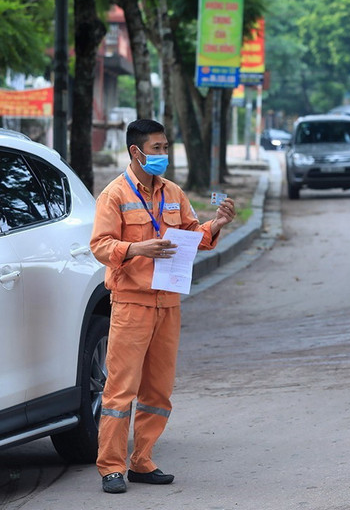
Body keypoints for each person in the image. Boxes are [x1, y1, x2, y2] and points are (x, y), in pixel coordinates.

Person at [90, 119, 236, 494]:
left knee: (158, 389)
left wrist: (216, 224)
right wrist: (136, 248)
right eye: (156, 149)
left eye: (166, 148)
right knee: (121, 389)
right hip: (131, 303)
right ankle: (111, 466)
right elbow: (100, 246)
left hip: (167, 302)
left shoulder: (173, 192)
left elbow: (192, 236)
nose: (163, 155)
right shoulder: (115, 195)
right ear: (136, 152)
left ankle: (142, 460)